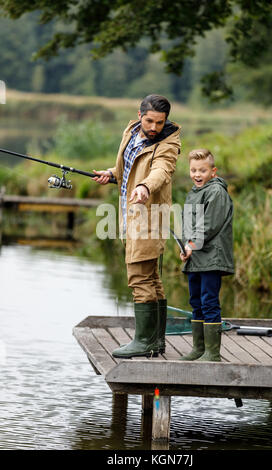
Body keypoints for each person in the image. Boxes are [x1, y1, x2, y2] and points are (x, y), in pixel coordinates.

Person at [92, 94, 181, 358]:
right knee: (151, 277)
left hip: (148, 218)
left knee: (140, 278)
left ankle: (144, 341)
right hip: (129, 215)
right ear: (140, 115)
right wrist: (113, 173)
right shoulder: (131, 131)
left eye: (160, 122)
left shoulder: (168, 142)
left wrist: (144, 186)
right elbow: (129, 168)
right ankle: (156, 341)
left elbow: (161, 171)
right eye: (150, 121)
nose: (154, 127)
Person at [179, 149, 234, 362]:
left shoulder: (216, 192)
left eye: (202, 170)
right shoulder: (193, 192)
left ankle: (212, 354)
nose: (197, 174)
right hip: (195, 258)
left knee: (209, 301)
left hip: (212, 258)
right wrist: (186, 246)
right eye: (193, 170)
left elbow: (209, 225)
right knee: (196, 301)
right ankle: (198, 349)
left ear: (213, 171)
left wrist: (192, 244)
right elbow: (188, 225)